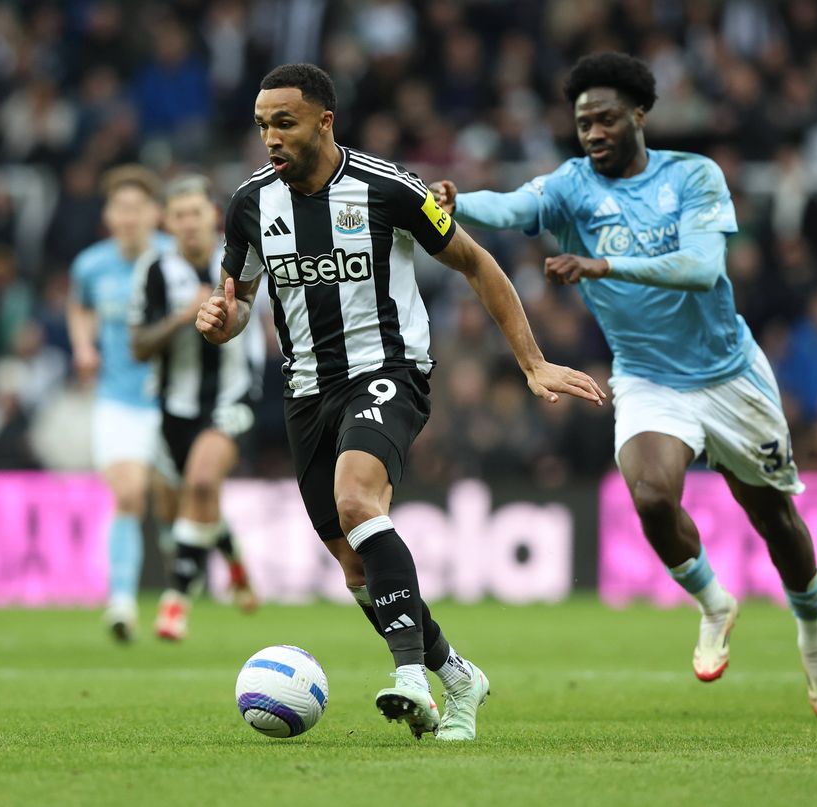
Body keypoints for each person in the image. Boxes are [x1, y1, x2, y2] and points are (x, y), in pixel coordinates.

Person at [432, 52, 817, 719]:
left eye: (605, 119)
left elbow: (702, 268)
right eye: (582, 123)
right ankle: (715, 603)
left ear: (639, 115)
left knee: (773, 518)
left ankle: (814, 633)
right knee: (651, 495)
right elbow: (514, 205)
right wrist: (459, 203)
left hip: (729, 375)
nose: (593, 133)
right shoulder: (573, 185)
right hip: (648, 377)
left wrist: (602, 264)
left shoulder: (693, 175)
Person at [196, 63, 605, 741]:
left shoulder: (387, 188)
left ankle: (410, 675)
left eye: (285, 122)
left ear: (325, 121)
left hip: (387, 372)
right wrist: (221, 321)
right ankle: (459, 676)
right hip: (306, 392)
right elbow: (236, 299)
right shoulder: (249, 204)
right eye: (263, 124)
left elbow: (477, 263)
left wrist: (532, 362)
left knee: (358, 500)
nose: (271, 137)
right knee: (355, 566)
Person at [128, 174, 263, 641]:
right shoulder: (154, 271)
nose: (188, 223)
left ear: (213, 216)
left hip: (232, 398)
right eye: (179, 215)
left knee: (202, 483)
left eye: (196, 213)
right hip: (175, 408)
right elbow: (138, 346)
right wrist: (181, 318)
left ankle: (175, 601)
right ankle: (235, 561)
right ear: (167, 222)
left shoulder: (244, 258)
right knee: (185, 503)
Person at [66, 165, 171, 641]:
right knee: (128, 495)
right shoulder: (91, 265)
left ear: (155, 213)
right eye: (120, 208)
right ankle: (122, 602)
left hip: (170, 398)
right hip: (118, 400)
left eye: (137, 208)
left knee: (170, 504)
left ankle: (179, 590)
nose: (128, 217)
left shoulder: (173, 259)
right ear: (108, 215)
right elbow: (80, 305)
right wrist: (83, 346)